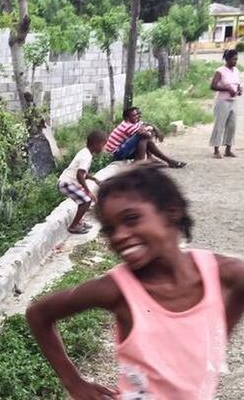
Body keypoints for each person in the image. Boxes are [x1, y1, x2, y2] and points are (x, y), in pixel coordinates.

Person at [26, 165, 244, 399]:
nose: (118, 236)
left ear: (172, 212)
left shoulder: (225, 273)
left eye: (131, 219)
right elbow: (38, 314)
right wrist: (74, 382)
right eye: (110, 230)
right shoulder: (117, 290)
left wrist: (216, 339)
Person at [58, 130, 107, 235]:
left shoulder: (85, 152)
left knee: (84, 201)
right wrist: (87, 190)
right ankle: (73, 226)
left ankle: (79, 222)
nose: (103, 149)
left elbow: (83, 173)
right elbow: (79, 175)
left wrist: (94, 179)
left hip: (68, 182)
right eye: (102, 145)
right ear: (96, 144)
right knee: (86, 201)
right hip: (67, 183)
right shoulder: (86, 156)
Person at [104, 107, 186, 168]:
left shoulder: (133, 123)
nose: (137, 117)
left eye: (137, 115)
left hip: (122, 150)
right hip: (117, 153)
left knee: (144, 137)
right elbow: (147, 134)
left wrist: (155, 129)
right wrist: (152, 131)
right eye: (134, 116)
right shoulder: (127, 126)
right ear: (127, 118)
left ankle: (163, 160)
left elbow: (146, 124)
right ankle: (140, 162)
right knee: (143, 137)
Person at [209, 49, 241, 159]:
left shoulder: (236, 71)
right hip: (222, 102)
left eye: (236, 59)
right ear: (227, 59)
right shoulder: (220, 71)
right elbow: (213, 86)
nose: (235, 61)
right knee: (220, 125)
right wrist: (227, 88)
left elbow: (237, 84)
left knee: (232, 125)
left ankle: (228, 149)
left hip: (234, 101)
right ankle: (216, 150)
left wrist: (239, 90)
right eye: (234, 59)